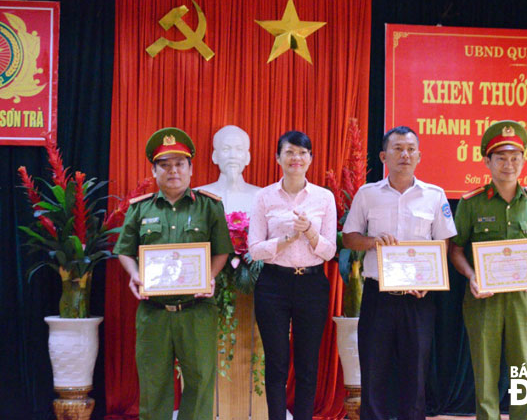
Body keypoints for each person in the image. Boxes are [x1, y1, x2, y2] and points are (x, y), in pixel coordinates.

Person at [114, 127, 233, 420]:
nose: (173, 171)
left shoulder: (210, 206)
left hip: (196, 310)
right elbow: (125, 251)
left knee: (200, 380)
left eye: (179, 164)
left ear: (191, 168)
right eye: (164, 165)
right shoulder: (140, 209)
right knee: (154, 384)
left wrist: (210, 276)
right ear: (154, 171)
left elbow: (221, 251)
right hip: (153, 312)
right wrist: (135, 274)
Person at [342, 125, 457, 420]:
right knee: (374, 373)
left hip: (418, 299)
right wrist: (372, 242)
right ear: (383, 156)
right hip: (378, 295)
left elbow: (443, 242)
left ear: (419, 155)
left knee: (414, 376)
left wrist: (430, 282)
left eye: (410, 149)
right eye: (397, 149)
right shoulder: (368, 194)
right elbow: (349, 237)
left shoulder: (435, 195)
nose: (404, 154)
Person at [449, 120, 527, 420]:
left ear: (523, 160)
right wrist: (472, 276)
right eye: (501, 158)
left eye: (515, 157)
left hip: (523, 300)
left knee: (525, 373)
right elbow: (455, 249)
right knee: (485, 374)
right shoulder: (471, 204)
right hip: (483, 300)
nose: (508, 164)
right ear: (487, 161)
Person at [248, 130, 337, 420]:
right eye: (289, 152)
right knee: (276, 363)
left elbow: (329, 251)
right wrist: (285, 239)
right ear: (278, 158)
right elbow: (254, 249)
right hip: (273, 284)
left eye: (302, 153)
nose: (296, 158)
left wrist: (309, 231)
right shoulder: (264, 197)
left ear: (310, 158)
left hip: (311, 284)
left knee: (307, 364)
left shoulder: (324, 198)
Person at [197, 125, 261, 214]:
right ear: (215, 156)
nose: (232, 156)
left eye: (239, 149)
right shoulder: (199, 197)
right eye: (226, 149)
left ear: (248, 157)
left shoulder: (262, 196)